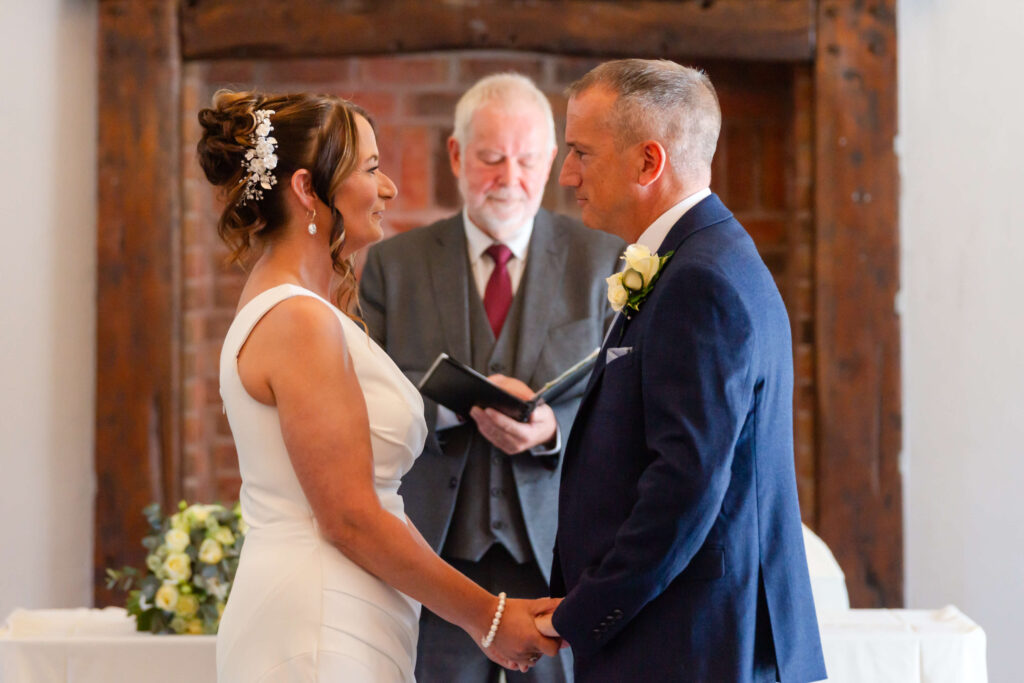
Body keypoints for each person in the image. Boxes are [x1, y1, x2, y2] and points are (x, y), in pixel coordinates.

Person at [197, 90, 561, 683]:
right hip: (318, 618)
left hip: (349, 605)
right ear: (306, 190)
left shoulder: (302, 307)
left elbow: (368, 507)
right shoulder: (299, 320)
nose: (388, 187)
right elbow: (351, 518)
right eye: (369, 168)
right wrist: (489, 618)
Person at [535, 60, 828, 682]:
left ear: (648, 162)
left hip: (694, 645)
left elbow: (684, 485)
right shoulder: (700, 257)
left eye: (581, 152)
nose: (566, 175)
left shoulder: (700, 279)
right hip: (686, 636)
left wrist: (579, 615)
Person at [359, 73, 624, 682]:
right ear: (456, 155)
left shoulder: (602, 262)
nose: (510, 179)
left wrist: (553, 429)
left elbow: (622, 401)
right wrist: (453, 410)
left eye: (528, 160)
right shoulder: (393, 267)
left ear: (554, 159)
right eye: (491, 159)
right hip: (434, 563)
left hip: (561, 561)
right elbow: (363, 401)